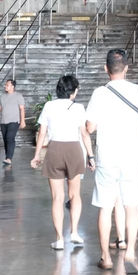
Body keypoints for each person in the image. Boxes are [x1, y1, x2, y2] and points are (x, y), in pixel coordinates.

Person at [86, 48, 138, 274]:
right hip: (133, 157)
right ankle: (131, 252)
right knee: (131, 206)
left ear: (106, 69)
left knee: (105, 207)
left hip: (107, 157)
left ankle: (105, 257)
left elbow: (90, 127)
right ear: (126, 68)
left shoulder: (99, 93)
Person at [29, 73, 95, 249]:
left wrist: (36, 156)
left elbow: (42, 133)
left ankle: (59, 239)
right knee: (75, 195)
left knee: (57, 197)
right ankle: (74, 232)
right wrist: (91, 156)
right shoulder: (79, 107)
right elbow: (84, 134)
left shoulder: (49, 106)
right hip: (74, 150)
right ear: (73, 92)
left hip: (54, 150)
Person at [0, 78, 26, 165]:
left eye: (7, 85)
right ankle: (7, 157)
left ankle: (9, 158)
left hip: (14, 121)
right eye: (5, 85)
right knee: (6, 139)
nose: (5, 86)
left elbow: (22, 109)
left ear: (12, 86)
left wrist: (22, 121)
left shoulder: (18, 96)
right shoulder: (2, 96)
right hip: (3, 122)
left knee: (10, 138)